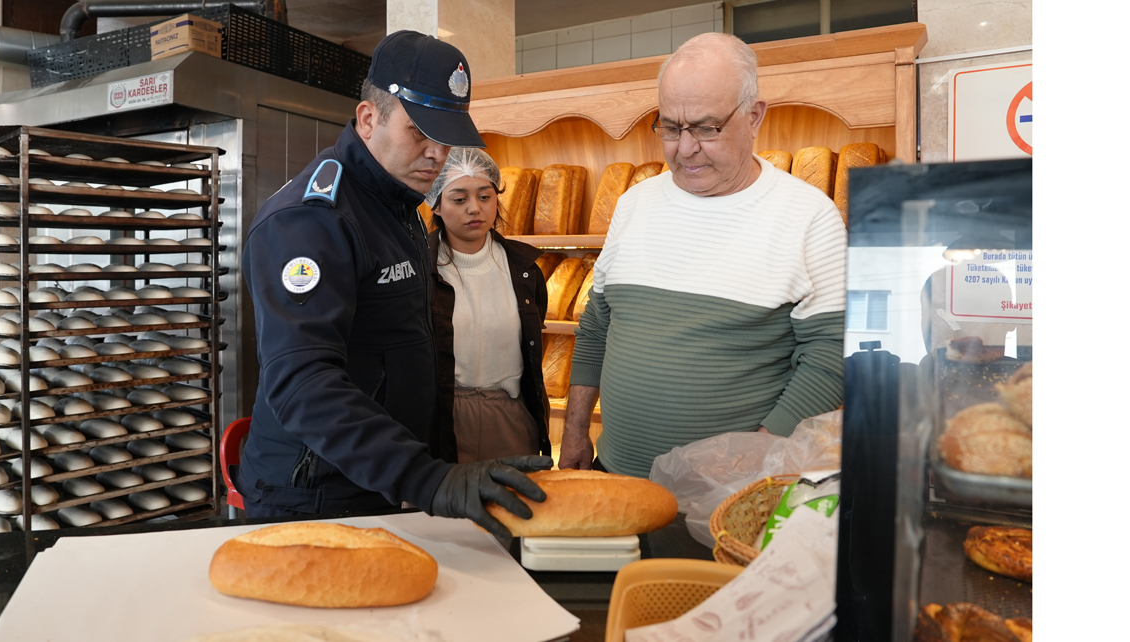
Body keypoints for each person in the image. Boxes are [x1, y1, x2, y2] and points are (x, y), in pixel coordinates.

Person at [238, 30, 552, 537]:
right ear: (368, 119)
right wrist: (426, 479)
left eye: (445, 136)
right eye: (419, 132)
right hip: (316, 492)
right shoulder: (312, 221)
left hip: (379, 480)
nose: (436, 153)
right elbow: (302, 383)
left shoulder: (398, 204)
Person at [558, 32, 847, 477]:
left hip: (727, 501)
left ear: (754, 116)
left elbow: (830, 357)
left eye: (706, 128)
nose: (685, 148)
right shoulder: (634, 203)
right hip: (614, 474)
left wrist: (756, 461)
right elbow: (598, 323)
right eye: (671, 128)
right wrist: (575, 429)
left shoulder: (809, 217)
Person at [426, 147, 551, 464]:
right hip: (439, 417)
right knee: (441, 512)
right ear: (436, 205)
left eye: (485, 197)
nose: (474, 209)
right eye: (459, 199)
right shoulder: (417, 267)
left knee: (513, 509)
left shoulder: (525, 270)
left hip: (510, 417)